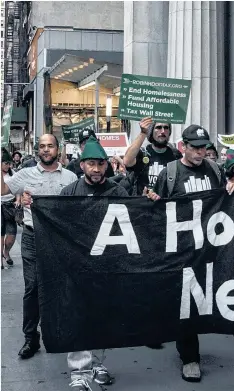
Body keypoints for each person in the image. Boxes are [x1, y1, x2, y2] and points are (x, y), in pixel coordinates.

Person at [147, 124, 234, 383]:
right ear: (183, 147)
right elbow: (158, 208)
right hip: (181, 249)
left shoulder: (214, 170)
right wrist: (153, 200)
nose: (200, 152)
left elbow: (226, 202)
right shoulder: (171, 172)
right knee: (185, 302)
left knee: (204, 298)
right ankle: (190, 357)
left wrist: (232, 188)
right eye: (195, 147)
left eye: (204, 147)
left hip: (209, 246)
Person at [0, 134, 78, 360]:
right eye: (42, 146)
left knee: (61, 287)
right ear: (37, 150)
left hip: (60, 240)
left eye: (50, 146)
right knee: (33, 288)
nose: (46, 150)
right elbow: (4, 190)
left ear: (58, 149)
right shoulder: (25, 175)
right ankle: (30, 338)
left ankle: (60, 332)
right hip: (33, 238)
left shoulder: (71, 177)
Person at [58, 136, 125, 390]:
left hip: (107, 266)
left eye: (100, 164)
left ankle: (98, 363)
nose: (96, 169)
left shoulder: (117, 191)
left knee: (101, 316)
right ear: (82, 165)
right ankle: (79, 372)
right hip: (77, 265)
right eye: (90, 164)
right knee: (78, 315)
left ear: (106, 166)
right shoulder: (69, 192)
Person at [123, 117, 183, 195]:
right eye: (158, 127)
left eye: (166, 128)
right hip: (144, 203)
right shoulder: (143, 153)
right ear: (151, 131)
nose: (163, 131)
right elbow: (127, 161)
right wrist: (143, 133)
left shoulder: (175, 155)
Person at [1, 149, 20, 268]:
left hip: (10, 206)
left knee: (11, 237)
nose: (8, 166)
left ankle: (6, 252)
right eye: (5, 163)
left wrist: (18, 199)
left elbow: (18, 189)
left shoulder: (14, 174)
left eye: (9, 163)